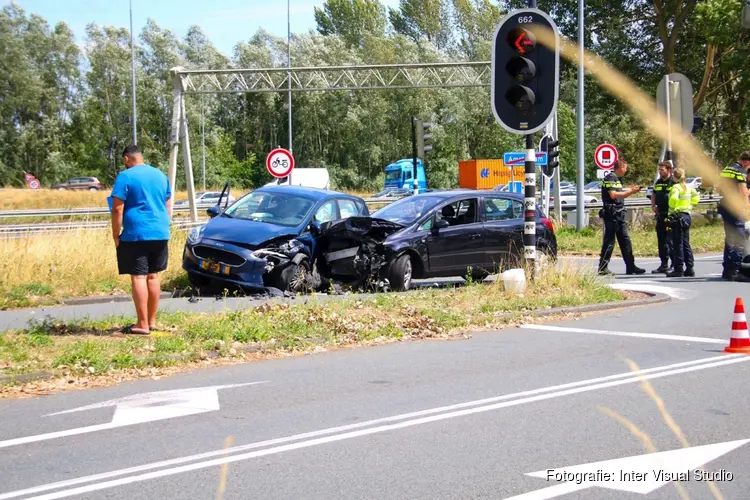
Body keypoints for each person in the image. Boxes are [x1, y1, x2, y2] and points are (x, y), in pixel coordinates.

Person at [110, 145, 172, 334]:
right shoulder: (161, 175)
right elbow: (168, 204)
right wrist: (163, 224)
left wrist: (115, 234)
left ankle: (142, 324)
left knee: (138, 276)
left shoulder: (125, 176)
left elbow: (117, 208)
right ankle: (151, 321)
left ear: (127, 159)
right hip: (160, 231)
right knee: (153, 276)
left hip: (137, 233)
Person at [598, 158, 646, 276]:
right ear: (620, 167)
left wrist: (630, 190)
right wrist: (631, 192)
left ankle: (631, 266)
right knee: (609, 241)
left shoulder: (616, 179)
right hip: (612, 214)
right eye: (625, 167)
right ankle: (603, 267)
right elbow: (613, 195)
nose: (626, 170)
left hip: (619, 214)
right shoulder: (610, 178)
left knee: (625, 241)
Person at [717, 151, 750, 281]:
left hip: (725, 205)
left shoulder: (726, 169)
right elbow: (743, 192)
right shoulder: (740, 171)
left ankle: (727, 270)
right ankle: (736, 271)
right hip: (736, 208)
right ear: (746, 161)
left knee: (730, 238)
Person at [666, 168, 700, 277]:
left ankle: (678, 268)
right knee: (686, 242)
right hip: (687, 215)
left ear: (674, 176)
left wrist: (672, 208)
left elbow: (673, 200)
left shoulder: (676, 187)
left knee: (677, 243)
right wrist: (688, 205)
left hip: (677, 216)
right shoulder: (689, 187)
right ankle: (690, 268)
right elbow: (696, 199)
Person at [650, 161, 675, 273]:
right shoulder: (659, 182)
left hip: (671, 215)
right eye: (659, 170)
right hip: (660, 214)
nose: (660, 172)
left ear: (669, 170)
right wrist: (653, 205)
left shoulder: (674, 182)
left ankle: (674, 264)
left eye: (662, 170)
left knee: (671, 240)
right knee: (661, 240)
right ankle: (663, 264)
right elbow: (654, 194)